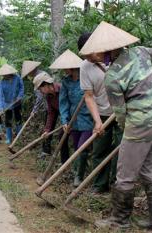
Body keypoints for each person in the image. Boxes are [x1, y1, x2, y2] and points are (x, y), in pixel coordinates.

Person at [80, 21, 152, 231]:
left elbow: (120, 115)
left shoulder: (112, 76)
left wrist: (130, 133)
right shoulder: (142, 52)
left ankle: (119, 221)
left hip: (140, 127)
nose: (94, 57)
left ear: (107, 50)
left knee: (125, 176)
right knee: (147, 172)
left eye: (96, 52)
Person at [78, 32, 123, 193]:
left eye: (90, 53)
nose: (89, 57)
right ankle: (99, 185)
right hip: (102, 114)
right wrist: (97, 121)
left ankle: (119, 185)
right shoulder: (85, 67)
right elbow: (89, 96)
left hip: (122, 113)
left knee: (122, 150)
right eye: (85, 55)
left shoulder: (117, 57)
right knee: (99, 150)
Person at [49, 50, 94, 186]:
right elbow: (63, 103)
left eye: (65, 69)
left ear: (71, 68)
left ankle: (79, 177)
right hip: (73, 121)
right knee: (76, 147)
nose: (64, 71)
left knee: (82, 147)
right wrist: (64, 120)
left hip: (88, 119)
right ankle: (78, 171)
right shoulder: (66, 82)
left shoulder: (86, 78)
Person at [21, 61, 49, 159]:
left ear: (32, 70)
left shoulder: (39, 78)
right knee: (48, 128)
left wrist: (34, 110)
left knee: (47, 129)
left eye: (28, 73)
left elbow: (40, 97)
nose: (28, 75)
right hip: (49, 106)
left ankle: (46, 151)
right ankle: (46, 150)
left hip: (49, 107)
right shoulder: (43, 73)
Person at [0, 64, 24, 144]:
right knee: (8, 120)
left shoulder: (17, 78)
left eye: (6, 74)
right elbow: (0, 96)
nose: (5, 76)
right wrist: (0, 108)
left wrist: (20, 96)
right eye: (3, 75)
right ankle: (9, 138)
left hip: (17, 102)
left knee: (18, 118)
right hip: (7, 104)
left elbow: (22, 87)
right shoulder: (1, 83)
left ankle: (19, 136)